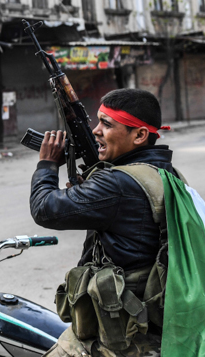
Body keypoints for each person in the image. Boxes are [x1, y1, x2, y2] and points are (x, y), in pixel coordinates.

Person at [31, 89, 176, 356]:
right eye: (97, 121)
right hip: (153, 322)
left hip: (119, 334)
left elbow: (45, 209)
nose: (96, 131)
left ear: (140, 135)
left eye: (107, 124)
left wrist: (47, 164)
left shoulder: (116, 183)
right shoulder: (164, 172)